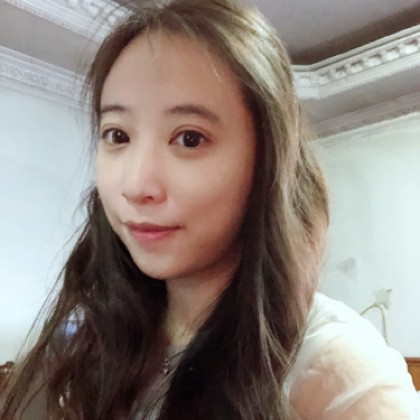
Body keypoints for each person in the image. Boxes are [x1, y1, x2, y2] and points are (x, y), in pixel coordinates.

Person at [1, 0, 418, 418]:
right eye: (117, 135)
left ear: (266, 163)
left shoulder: (340, 374)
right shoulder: (96, 340)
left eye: (190, 139)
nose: (136, 186)